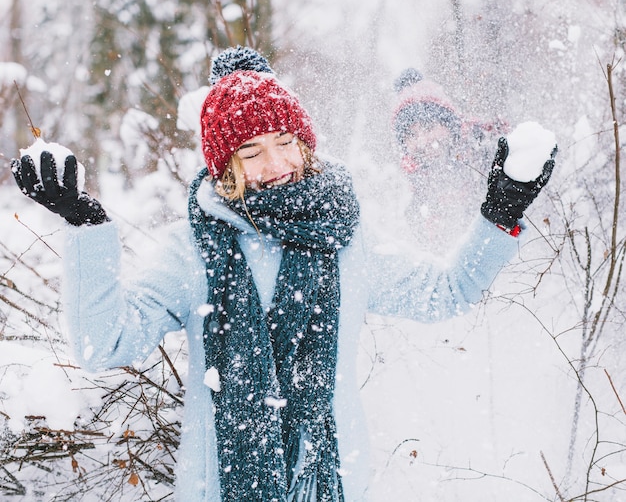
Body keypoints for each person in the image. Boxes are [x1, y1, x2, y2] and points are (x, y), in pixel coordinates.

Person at [11, 47, 556, 502]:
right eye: (251, 152)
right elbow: (103, 343)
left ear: (305, 144)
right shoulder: (192, 252)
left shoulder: (345, 239)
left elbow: (446, 293)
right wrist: (86, 225)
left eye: (285, 143)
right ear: (224, 167)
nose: (275, 165)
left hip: (336, 484)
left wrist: (500, 214)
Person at [392, 67, 507, 251]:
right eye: (411, 135)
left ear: (449, 125)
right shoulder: (416, 182)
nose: (421, 141)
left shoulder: (487, 149)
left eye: (429, 128)